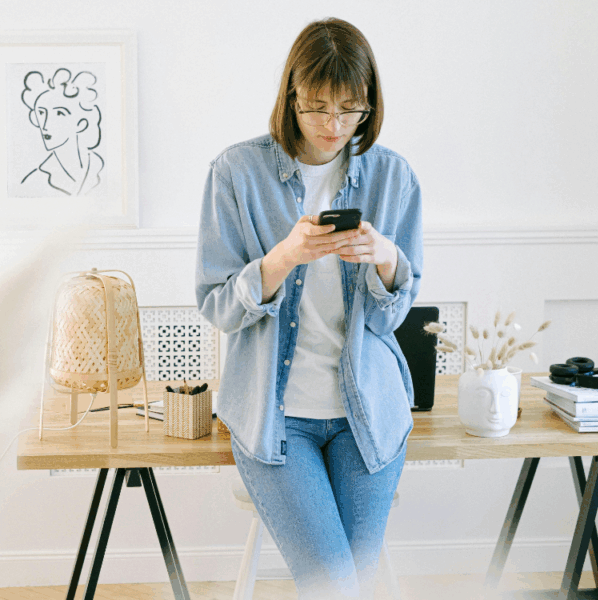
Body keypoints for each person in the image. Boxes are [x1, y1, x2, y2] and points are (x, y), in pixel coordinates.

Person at [195, 17, 423, 598]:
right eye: (317, 107)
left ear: (369, 106)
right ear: (290, 97)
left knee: (350, 586)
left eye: (351, 110)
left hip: (366, 414)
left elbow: (394, 315)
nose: (333, 126)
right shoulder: (236, 174)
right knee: (336, 587)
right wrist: (282, 258)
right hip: (277, 420)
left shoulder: (393, 178)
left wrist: (387, 258)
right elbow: (217, 305)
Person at [20, 68, 105, 196]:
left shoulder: (102, 169)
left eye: (59, 113)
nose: (46, 124)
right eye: (41, 113)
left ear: (81, 124)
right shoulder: (34, 182)